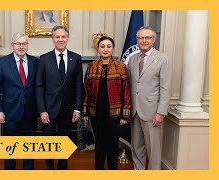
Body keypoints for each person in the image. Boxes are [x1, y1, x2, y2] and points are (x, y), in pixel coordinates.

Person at [35, 25, 83, 170]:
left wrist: (77, 108)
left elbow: (78, 86)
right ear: (53, 39)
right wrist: (42, 110)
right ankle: (50, 169)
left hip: (68, 109)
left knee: (64, 142)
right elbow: (39, 86)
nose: (60, 39)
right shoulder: (44, 59)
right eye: (57, 37)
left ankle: (62, 169)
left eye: (63, 37)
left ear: (67, 38)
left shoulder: (76, 58)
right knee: (48, 143)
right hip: (48, 109)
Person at [0, 32, 39, 170]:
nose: (21, 46)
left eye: (24, 43)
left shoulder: (36, 62)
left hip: (30, 113)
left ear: (27, 46)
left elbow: (39, 88)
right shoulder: (2, 62)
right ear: (12, 45)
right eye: (18, 43)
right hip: (9, 113)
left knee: (29, 150)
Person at [82, 36, 131, 170]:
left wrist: (125, 115)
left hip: (115, 114)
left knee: (112, 144)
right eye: (102, 46)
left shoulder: (121, 66)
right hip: (95, 113)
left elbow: (126, 91)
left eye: (109, 46)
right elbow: (85, 90)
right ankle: (98, 170)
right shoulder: (92, 66)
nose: (105, 49)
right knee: (99, 144)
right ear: (98, 49)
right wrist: (85, 112)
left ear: (112, 49)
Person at [127, 26, 172, 170]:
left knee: (153, 149)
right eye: (141, 38)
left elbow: (166, 87)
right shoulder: (133, 59)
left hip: (153, 112)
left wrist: (161, 112)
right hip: (134, 111)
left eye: (147, 38)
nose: (144, 41)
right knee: (136, 146)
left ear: (154, 39)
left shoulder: (163, 59)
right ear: (137, 40)